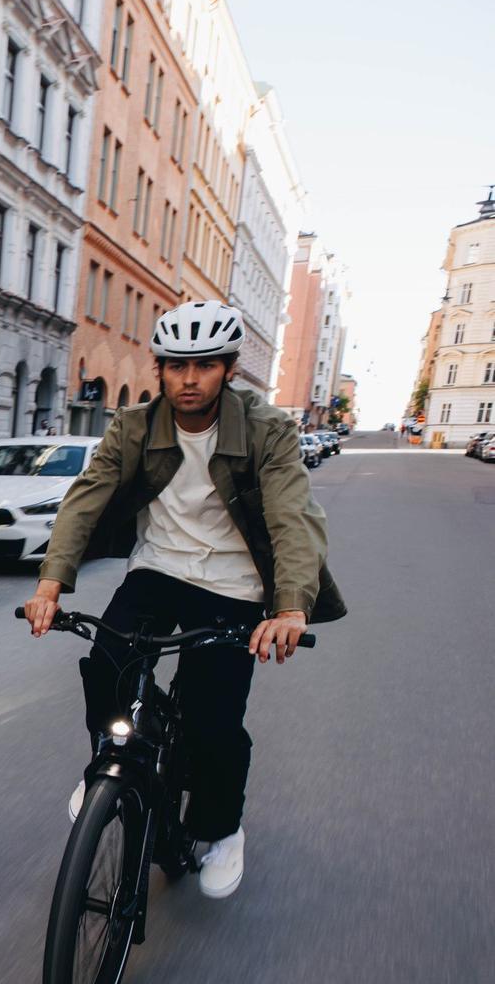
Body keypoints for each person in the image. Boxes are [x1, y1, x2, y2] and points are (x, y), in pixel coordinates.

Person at [21, 302, 346, 898]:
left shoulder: (267, 430)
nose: (189, 379)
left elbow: (292, 517)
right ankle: (110, 763)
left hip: (234, 583)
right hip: (158, 570)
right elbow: (86, 498)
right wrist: (50, 584)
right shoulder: (134, 427)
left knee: (213, 721)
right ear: (161, 370)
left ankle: (221, 830)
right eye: (176, 366)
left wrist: (290, 607)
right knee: (108, 663)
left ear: (228, 370)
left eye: (204, 366)